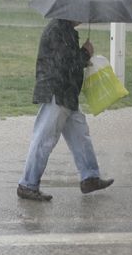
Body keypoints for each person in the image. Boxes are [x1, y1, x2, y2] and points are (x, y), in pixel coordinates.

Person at [17, 18, 113, 201]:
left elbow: (67, 60)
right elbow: (64, 64)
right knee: (44, 139)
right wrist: (85, 53)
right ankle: (27, 185)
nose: (84, 17)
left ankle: (90, 178)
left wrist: (82, 55)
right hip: (57, 92)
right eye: (81, 13)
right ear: (70, 12)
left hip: (67, 93)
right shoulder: (58, 30)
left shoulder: (66, 30)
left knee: (80, 135)